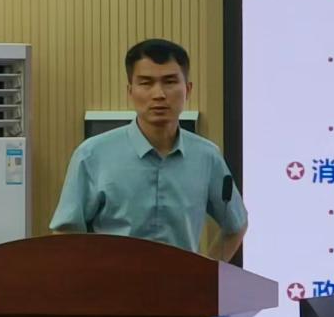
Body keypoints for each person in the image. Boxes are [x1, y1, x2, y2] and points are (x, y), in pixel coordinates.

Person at [49, 38, 248, 261]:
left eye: (169, 82)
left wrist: (206, 275)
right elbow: (66, 233)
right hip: (113, 282)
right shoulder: (93, 154)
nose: (159, 94)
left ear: (188, 89)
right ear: (130, 91)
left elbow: (236, 225)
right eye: (146, 83)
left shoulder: (207, 157)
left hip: (180, 283)